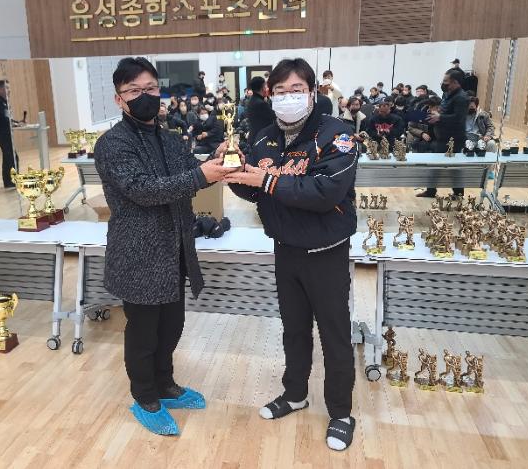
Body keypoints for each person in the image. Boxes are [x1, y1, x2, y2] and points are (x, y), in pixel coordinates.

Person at [93, 57, 235, 436]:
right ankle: (145, 396)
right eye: (134, 91)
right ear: (119, 99)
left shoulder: (170, 138)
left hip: (175, 248)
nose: (145, 96)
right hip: (139, 253)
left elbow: (191, 174)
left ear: (160, 91)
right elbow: (142, 190)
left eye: (151, 89)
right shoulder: (112, 144)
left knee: (172, 325)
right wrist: (200, 174)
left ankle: (165, 383)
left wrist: (216, 161)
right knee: (144, 332)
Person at [225, 58, 359, 452]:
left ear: (313, 92)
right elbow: (254, 190)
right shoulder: (265, 136)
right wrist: (233, 170)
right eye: (280, 91)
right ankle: (295, 393)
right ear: (270, 95)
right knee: (294, 330)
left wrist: (266, 180)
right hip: (285, 250)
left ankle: (341, 413)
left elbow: (325, 193)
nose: (287, 98)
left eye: (296, 90)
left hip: (326, 252)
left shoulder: (337, 135)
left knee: (334, 334)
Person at [417, 69, 469, 198]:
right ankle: (431, 191)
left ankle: (458, 194)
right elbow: (445, 110)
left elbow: (459, 118)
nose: (443, 83)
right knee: (435, 165)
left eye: (446, 81)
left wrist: (440, 117)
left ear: (455, 82)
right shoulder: (447, 94)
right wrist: (436, 114)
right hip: (441, 136)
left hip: (453, 139)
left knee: (454, 167)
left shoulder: (461, 98)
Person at [0, 79, 18, 189]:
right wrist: (14, 124)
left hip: (6, 134)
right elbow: (3, 119)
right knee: (11, 158)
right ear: (0, 89)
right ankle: (11, 181)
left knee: (9, 157)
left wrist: (17, 122)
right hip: (2, 134)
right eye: (6, 88)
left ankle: (9, 182)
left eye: (9, 88)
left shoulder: (5, 102)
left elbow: (8, 118)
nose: (9, 90)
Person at [245, 76, 276, 144]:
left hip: (254, 137)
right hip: (261, 139)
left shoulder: (252, 100)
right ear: (262, 88)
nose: (267, 89)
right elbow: (275, 116)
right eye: (265, 86)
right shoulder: (261, 103)